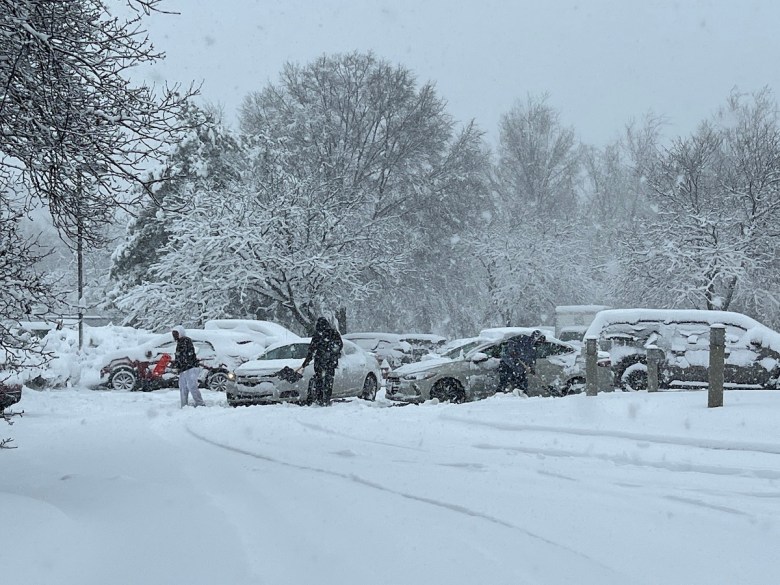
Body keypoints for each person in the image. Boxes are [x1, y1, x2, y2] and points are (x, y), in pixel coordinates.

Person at [296, 317, 343, 406]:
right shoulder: (333, 334)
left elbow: (311, 350)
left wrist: (306, 362)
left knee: (320, 381)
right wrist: (334, 353)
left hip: (321, 362)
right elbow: (339, 346)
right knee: (328, 381)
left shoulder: (318, 336)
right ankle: (326, 399)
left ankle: (320, 398)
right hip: (329, 362)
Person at [498, 330, 546, 395]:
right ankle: (498, 396)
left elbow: (532, 360)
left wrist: (532, 368)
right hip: (507, 364)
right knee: (504, 383)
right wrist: (512, 350)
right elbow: (510, 341)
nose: (540, 343)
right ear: (536, 338)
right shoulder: (524, 339)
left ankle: (521, 397)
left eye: (541, 342)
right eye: (540, 341)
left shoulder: (534, 349)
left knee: (522, 385)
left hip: (519, 368)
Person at [171, 326, 205, 407]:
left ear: (180, 333)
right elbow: (179, 356)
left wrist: (181, 361)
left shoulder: (186, 341)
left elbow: (187, 354)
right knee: (183, 387)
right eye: (173, 334)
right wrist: (177, 365)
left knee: (192, 386)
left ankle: (200, 403)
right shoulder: (179, 342)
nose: (174, 336)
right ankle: (184, 404)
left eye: (176, 334)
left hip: (191, 367)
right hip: (183, 368)